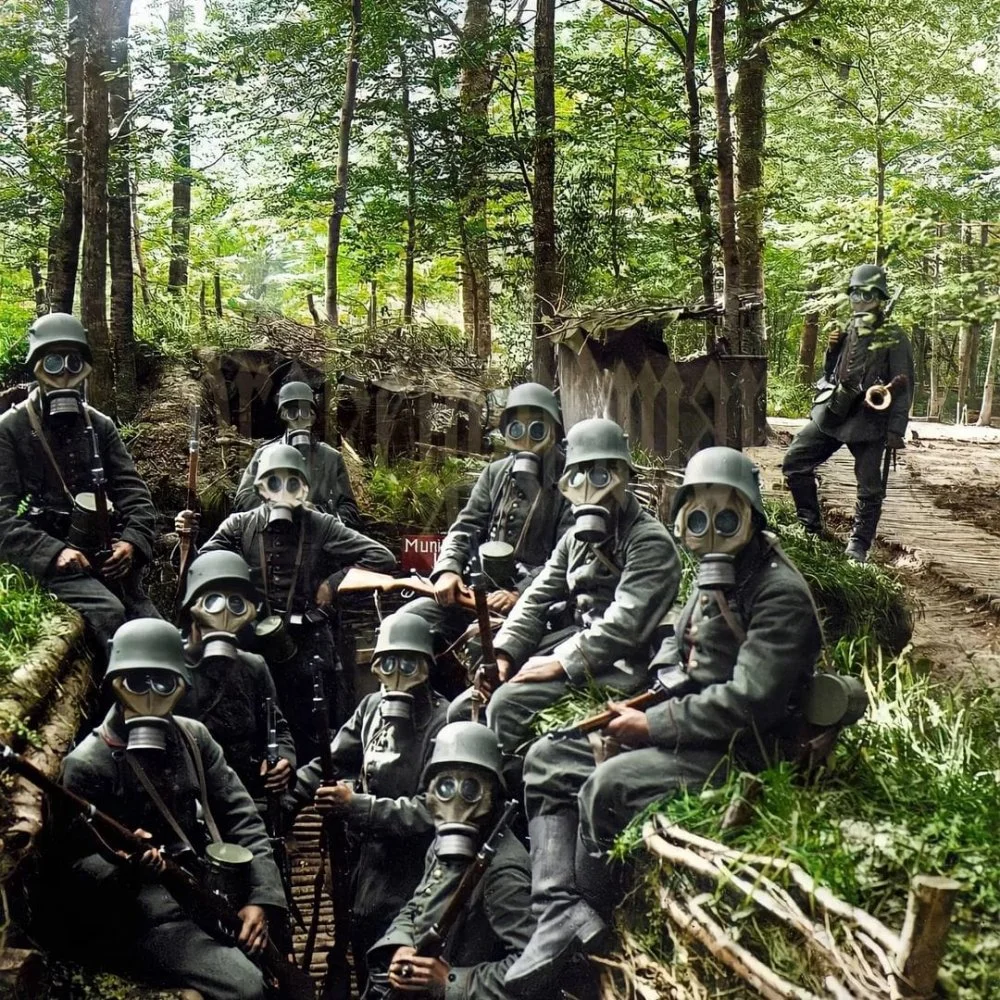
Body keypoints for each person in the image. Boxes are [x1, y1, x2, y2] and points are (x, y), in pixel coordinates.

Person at [503, 447, 823, 995]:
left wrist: (653, 726)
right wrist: (660, 687)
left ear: (753, 515)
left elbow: (749, 703)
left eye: (728, 518)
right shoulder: (720, 574)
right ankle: (559, 908)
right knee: (547, 758)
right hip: (689, 723)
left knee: (605, 786)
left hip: (745, 750)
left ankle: (592, 926)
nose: (713, 532)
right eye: (698, 519)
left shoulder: (778, 593)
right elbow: (677, 638)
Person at [58, 618, 287, 1000]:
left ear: (181, 685)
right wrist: (122, 865)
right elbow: (72, 867)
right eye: (136, 682)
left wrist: (261, 899)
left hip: (205, 893)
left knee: (273, 950)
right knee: (245, 987)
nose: (150, 696)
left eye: (163, 683)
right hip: (142, 916)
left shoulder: (193, 738)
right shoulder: (88, 764)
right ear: (115, 684)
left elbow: (242, 816)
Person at [478, 417, 681, 779]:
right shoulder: (574, 539)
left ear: (624, 477)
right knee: (471, 700)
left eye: (601, 476)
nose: (589, 488)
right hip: (575, 644)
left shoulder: (648, 542)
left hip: (623, 663)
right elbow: (536, 598)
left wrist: (559, 663)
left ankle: (503, 794)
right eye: (577, 477)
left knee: (506, 704)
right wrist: (505, 654)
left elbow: (626, 625)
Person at [185, 442, 395, 760]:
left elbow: (381, 555)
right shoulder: (240, 526)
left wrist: (334, 582)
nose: (282, 492)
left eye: (292, 483)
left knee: (312, 727)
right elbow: (202, 568)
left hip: (307, 643)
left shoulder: (321, 525)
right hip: (254, 642)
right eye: (274, 482)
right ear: (260, 488)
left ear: (304, 489)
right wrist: (186, 540)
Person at [285, 612, 450, 991]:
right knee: (357, 940)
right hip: (362, 860)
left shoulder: (445, 724)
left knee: (390, 954)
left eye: (409, 663)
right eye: (387, 663)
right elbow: (333, 758)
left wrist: (357, 806)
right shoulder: (372, 708)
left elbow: (433, 809)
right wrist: (288, 801)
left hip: (411, 866)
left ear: (427, 666)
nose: (397, 675)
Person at [0, 313, 160, 658]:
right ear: (36, 367)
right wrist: (52, 552)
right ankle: (119, 702)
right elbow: (1, 515)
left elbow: (137, 497)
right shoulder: (9, 429)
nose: (64, 374)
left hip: (104, 558)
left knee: (157, 630)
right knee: (109, 613)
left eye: (74, 363)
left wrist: (131, 543)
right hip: (48, 565)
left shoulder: (99, 425)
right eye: (53, 363)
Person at [365, 722, 538, 1000]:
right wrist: (401, 945)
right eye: (445, 786)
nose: (456, 802)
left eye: (471, 789)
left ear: (492, 793)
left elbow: (533, 967)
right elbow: (417, 906)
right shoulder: (441, 845)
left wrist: (453, 982)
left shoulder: (503, 870)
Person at [403, 383, 573, 660]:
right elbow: (465, 528)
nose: (527, 438)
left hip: (538, 602)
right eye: (517, 429)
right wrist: (448, 570)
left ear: (554, 432)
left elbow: (568, 558)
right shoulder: (495, 473)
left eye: (537, 429)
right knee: (406, 625)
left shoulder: (570, 482)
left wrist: (520, 593)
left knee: (485, 649)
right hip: (477, 591)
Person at [783, 264, 915, 562]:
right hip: (835, 410)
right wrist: (832, 350)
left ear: (880, 298)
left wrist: (896, 430)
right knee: (795, 461)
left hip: (870, 421)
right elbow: (832, 373)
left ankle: (859, 545)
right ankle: (810, 527)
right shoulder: (847, 329)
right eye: (855, 293)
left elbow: (904, 385)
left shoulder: (894, 336)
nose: (860, 300)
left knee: (870, 487)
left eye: (868, 294)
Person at [175, 549, 296, 806]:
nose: (225, 612)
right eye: (213, 601)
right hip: (188, 798)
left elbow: (277, 728)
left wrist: (284, 759)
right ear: (192, 607)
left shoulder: (253, 666)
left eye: (237, 603)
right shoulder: (170, 667)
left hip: (244, 797)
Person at [233, 380, 361, 528]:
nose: (300, 417)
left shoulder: (331, 458)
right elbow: (244, 498)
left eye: (305, 412)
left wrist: (320, 515)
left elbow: (349, 510)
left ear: (313, 417)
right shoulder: (265, 454)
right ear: (283, 415)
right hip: (275, 535)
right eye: (293, 412)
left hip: (317, 538)